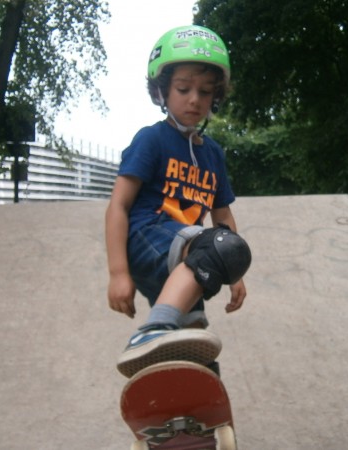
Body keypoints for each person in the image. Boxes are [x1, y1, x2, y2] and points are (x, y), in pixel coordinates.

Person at [105, 25, 252, 378]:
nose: (194, 100)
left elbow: (223, 216)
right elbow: (118, 206)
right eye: (184, 89)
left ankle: (183, 414)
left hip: (186, 260)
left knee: (192, 342)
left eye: (205, 92)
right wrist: (118, 273)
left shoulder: (213, 154)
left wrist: (234, 271)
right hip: (147, 238)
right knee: (209, 248)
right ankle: (150, 333)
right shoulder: (152, 140)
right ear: (161, 92)